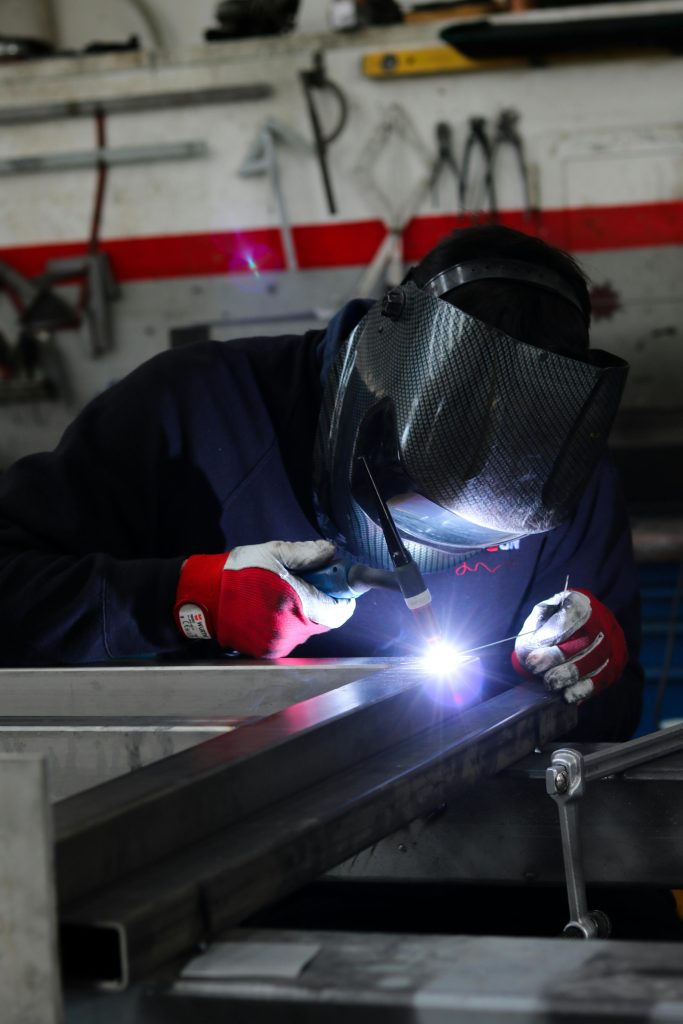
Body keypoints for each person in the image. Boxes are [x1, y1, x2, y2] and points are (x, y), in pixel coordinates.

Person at [0, 225, 642, 741]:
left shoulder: (567, 486)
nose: (433, 547)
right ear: (377, 389)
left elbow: (613, 724)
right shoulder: (193, 411)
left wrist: (586, 673)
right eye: (413, 499)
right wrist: (189, 602)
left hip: (474, 855)